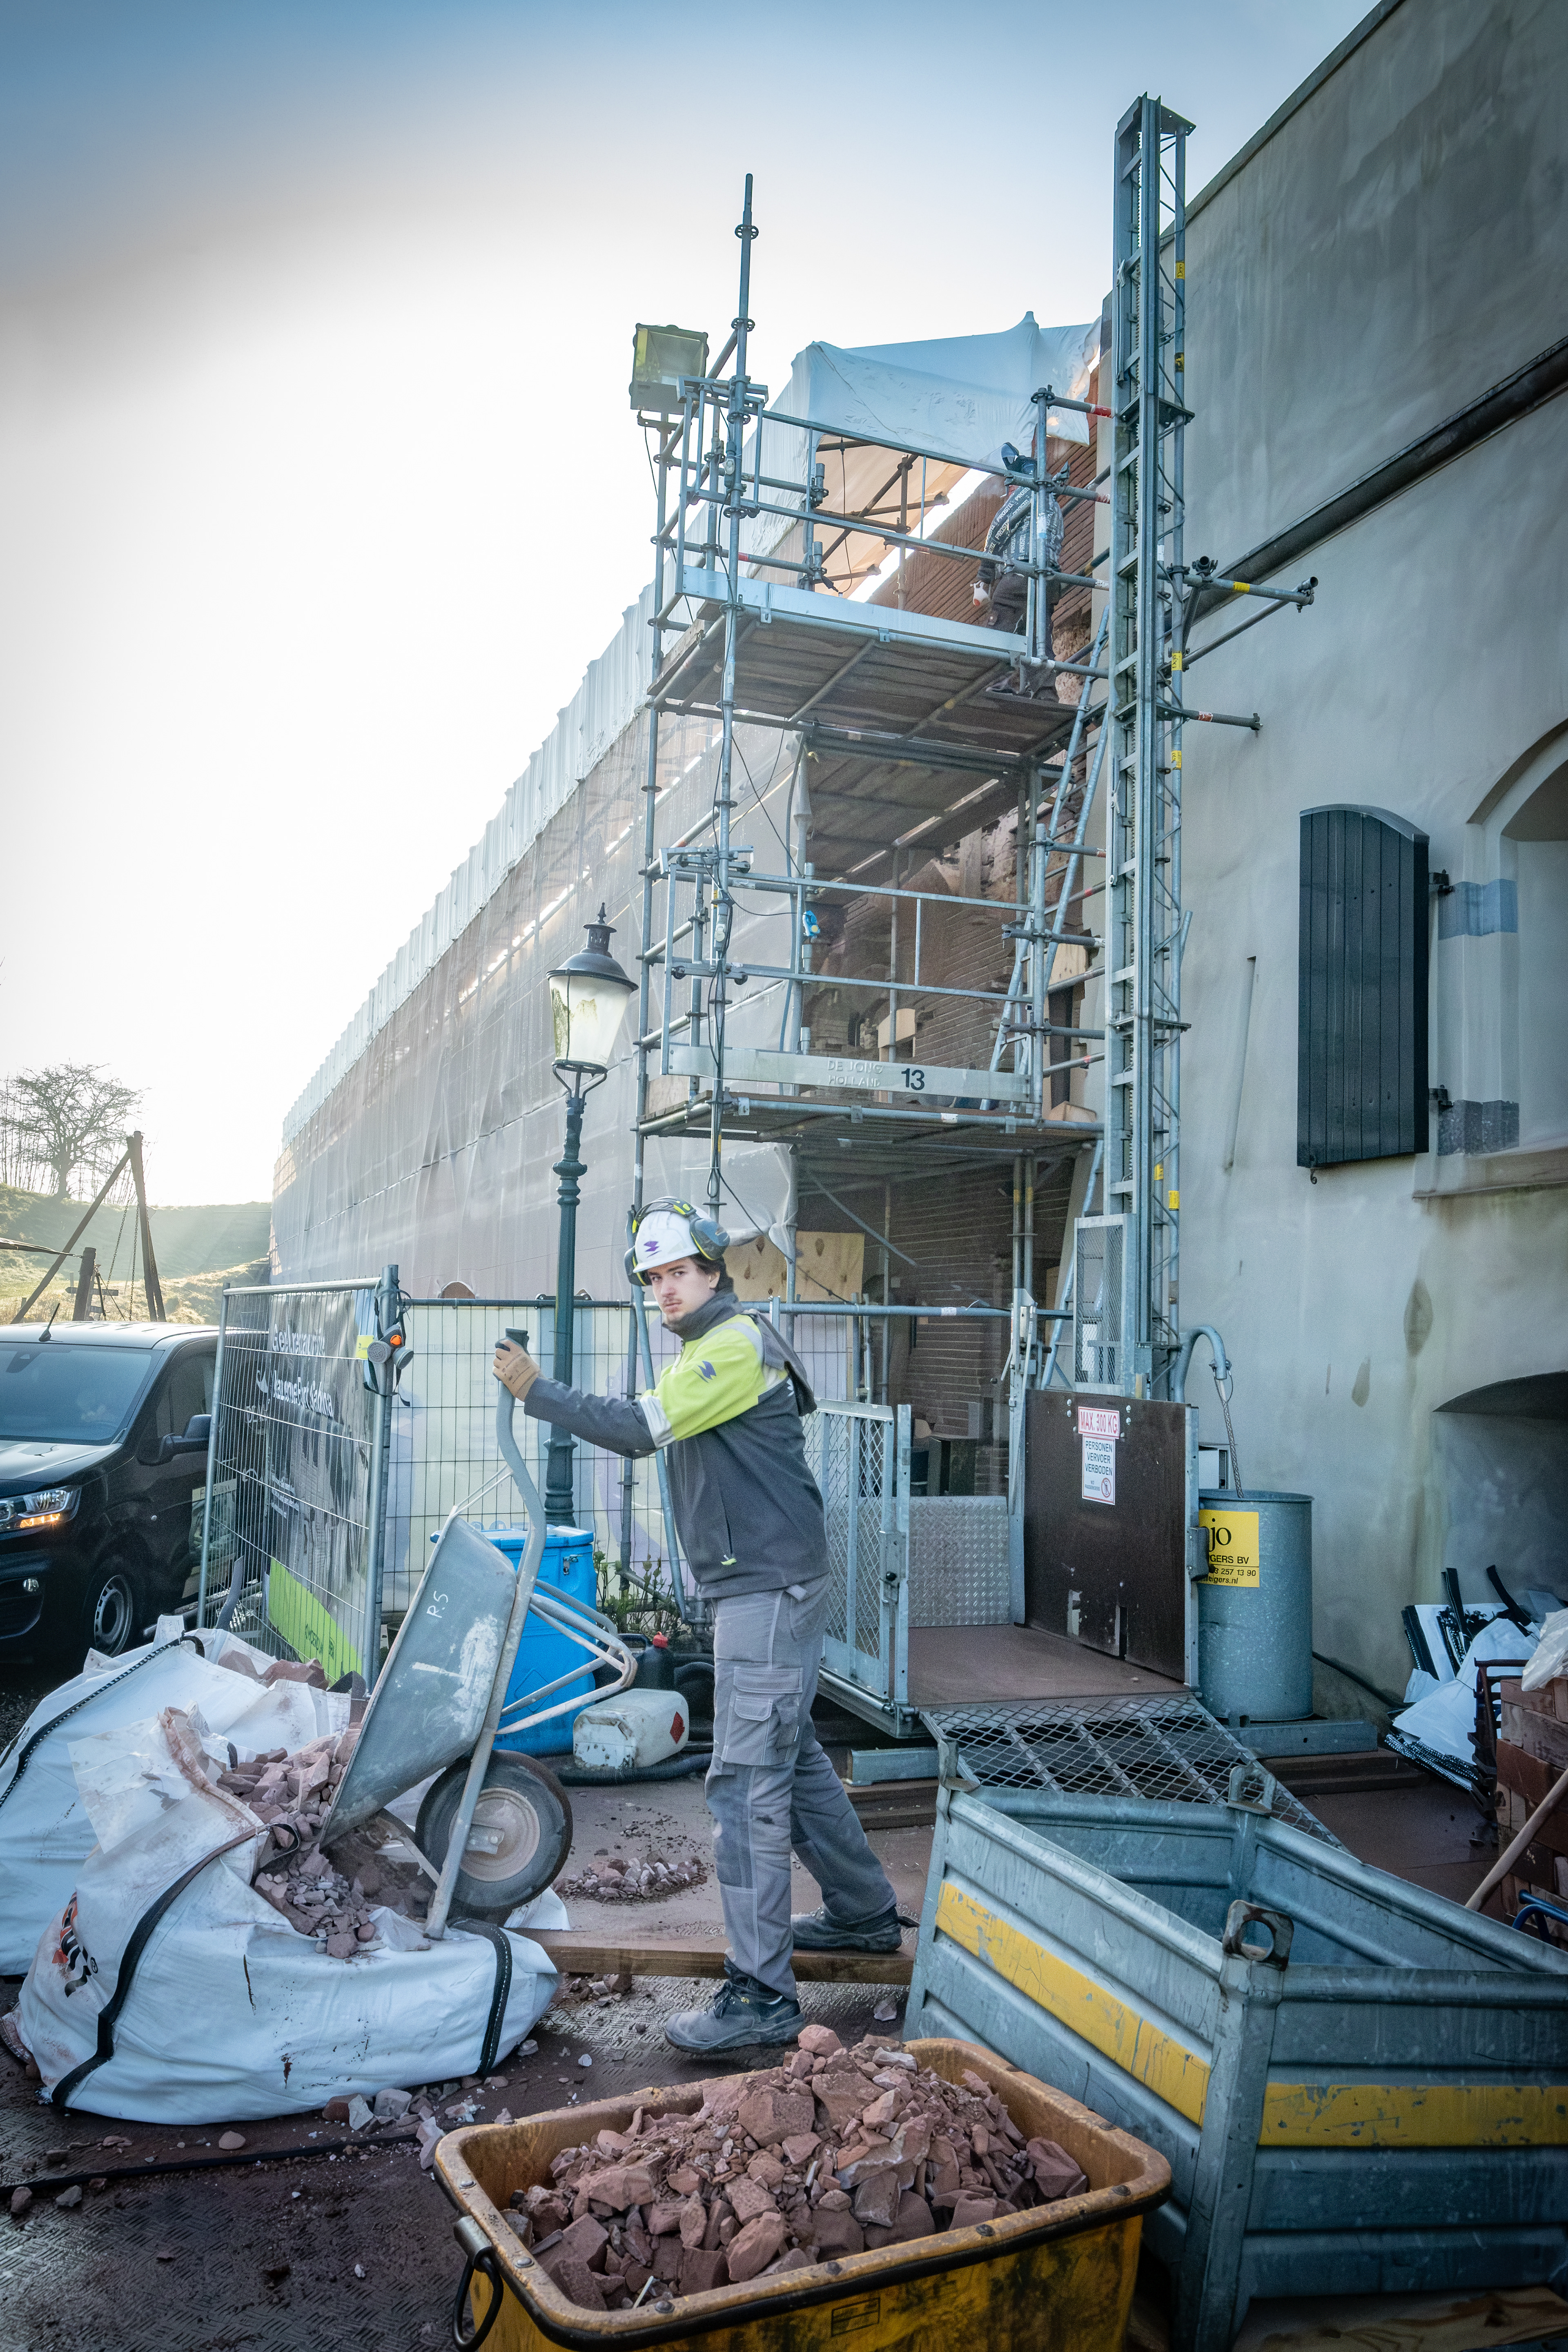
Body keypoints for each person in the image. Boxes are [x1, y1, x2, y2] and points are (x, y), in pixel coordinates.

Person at [492, 1199, 901, 2052]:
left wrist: (537, 1391)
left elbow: (637, 1429)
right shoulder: (710, 1348)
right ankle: (864, 1912)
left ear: (714, 1271)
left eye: (679, 1272)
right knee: (790, 1756)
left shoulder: (734, 1345)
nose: (666, 1290)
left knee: (745, 1785)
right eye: (654, 1278)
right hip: (767, 1583)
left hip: (767, 1589)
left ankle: (760, 1997)